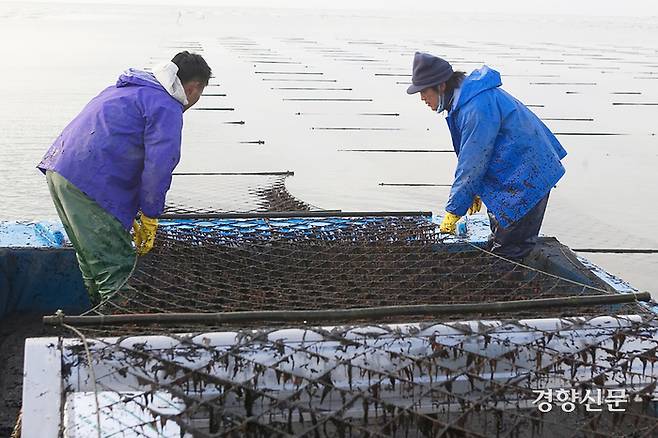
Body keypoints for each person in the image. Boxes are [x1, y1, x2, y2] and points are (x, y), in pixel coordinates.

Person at [37, 51, 211, 304]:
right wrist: (150, 213)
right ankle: (121, 332)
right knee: (117, 268)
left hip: (60, 172)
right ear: (194, 88)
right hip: (90, 183)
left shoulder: (127, 88)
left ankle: (98, 319)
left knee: (91, 259)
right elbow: (159, 166)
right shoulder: (166, 105)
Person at [407, 52, 567, 261]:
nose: (422, 99)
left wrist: (454, 210)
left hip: (528, 176)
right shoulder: (466, 100)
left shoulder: (475, 106)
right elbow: (481, 155)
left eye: (424, 92)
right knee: (501, 240)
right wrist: (476, 191)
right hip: (513, 172)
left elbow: (472, 162)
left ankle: (511, 288)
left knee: (510, 252)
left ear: (441, 86)